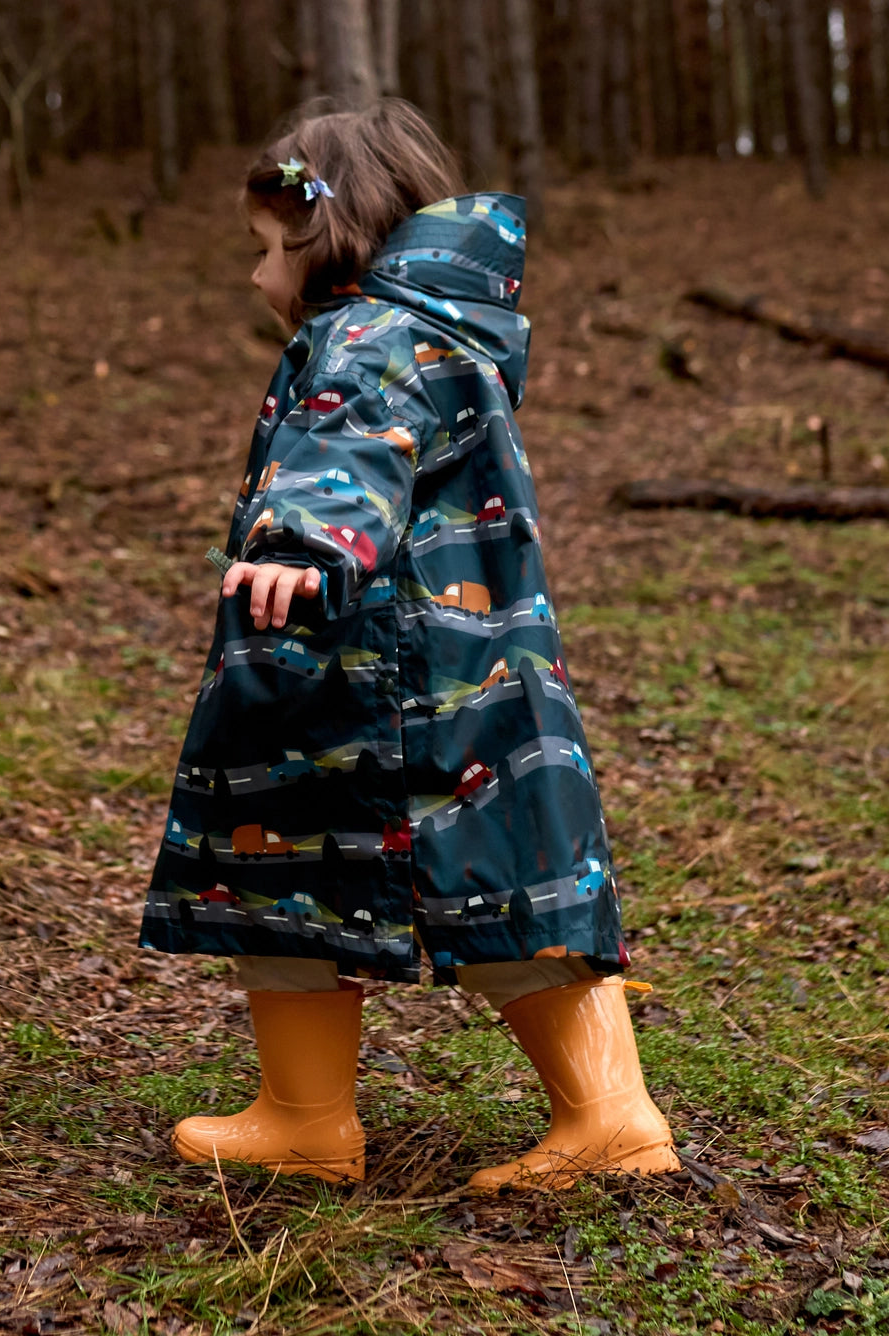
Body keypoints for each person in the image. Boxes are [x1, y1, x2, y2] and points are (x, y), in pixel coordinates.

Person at [139, 99, 680, 1190]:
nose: (254, 279)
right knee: (307, 874)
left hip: (384, 682)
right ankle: (306, 1116)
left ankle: (608, 1118)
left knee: (447, 882)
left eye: (264, 250)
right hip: (418, 669)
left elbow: (347, 450)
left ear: (323, 236)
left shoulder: (367, 337)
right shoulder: (445, 331)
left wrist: (301, 536)